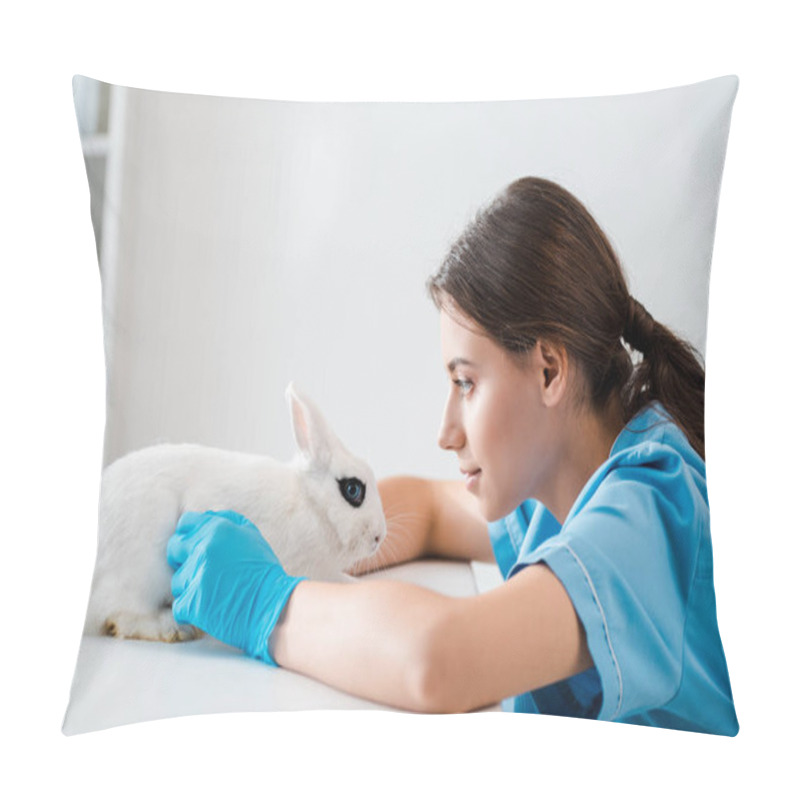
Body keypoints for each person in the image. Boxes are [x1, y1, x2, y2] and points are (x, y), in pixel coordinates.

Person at [167, 177, 738, 735]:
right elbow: (429, 510)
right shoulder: (562, 487)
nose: (446, 432)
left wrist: (263, 598)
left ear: (549, 371)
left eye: (465, 383)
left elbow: (441, 660)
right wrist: (302, 535)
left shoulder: (649, 513)